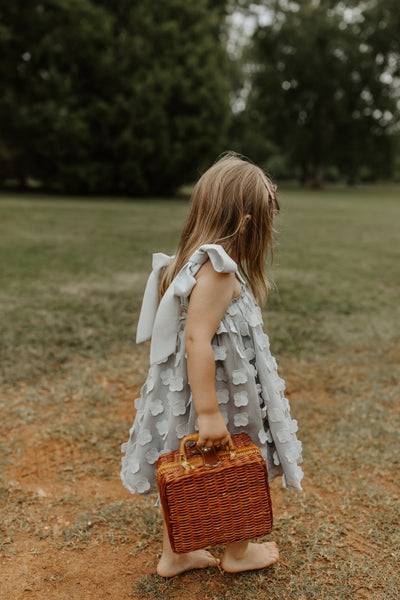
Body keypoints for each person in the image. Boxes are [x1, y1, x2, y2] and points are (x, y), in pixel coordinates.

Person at [120, 152, 303, 577]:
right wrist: (209, 413)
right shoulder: (219, 271)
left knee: (183, 465)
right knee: (231, 457)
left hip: (196, 386)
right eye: (266, 218)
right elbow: (197, 337)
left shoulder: (195, 262)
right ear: (245, 222)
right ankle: (237, 553)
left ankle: (177, 552)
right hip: (218, 392)